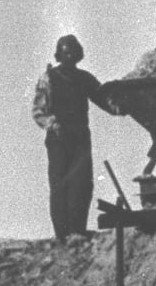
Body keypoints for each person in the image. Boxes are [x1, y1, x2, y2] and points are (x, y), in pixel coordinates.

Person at [31, 34, 114, 241]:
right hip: (59, 138)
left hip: (80, 137)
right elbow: (39, 111)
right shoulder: (48, 78)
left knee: (82, 184)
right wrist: (53, 124)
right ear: (59, 55)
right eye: (66, 52)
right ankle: (62, 234)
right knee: (60, 185)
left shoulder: (85, 79)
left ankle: (77, 230)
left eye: (72, 52)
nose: (69, 56)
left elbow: (104, 99)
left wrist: (121, 104)